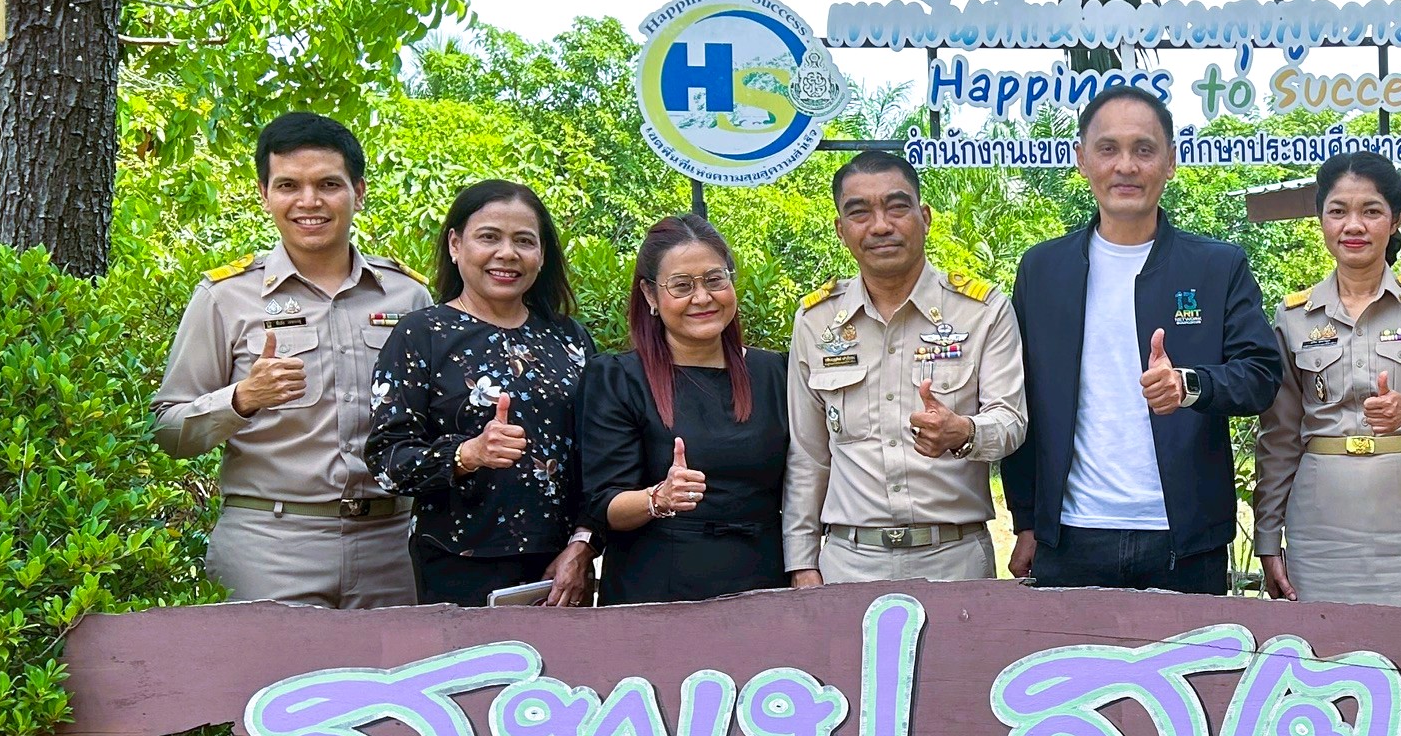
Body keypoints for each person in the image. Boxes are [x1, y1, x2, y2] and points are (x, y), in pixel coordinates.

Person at [1002, 85, 1281, 594]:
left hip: (1185, 540)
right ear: (1082, 159)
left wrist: (1190, 385)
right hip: (1071, 535)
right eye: (1108, 149)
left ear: (1170, 162)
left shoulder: (1217, 266)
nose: (1126, 166)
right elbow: (1022, 397)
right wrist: (1026, 517)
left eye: (1144, 150)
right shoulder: (1043, 269)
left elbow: (1261, 376)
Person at [154, 112, 431, 607]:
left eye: (328, 184)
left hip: (392, 547)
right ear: (264, 195)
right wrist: (242, 399)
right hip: (270, 546)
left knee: (400, 663)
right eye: (288, 186)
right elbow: (168, 431)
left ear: (359, 192)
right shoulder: (226, 297)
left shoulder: (407, 296)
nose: (309, 202)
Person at [785, 151, 1027, 585]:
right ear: (841, 229)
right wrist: (802, 563)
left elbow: (1011, 420)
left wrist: (965, 431)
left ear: (925, 217)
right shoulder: (816, 321)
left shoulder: (982, 310)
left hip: (955, 560)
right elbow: (808, 456)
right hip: (849, 563)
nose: (880, 225)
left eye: (896, 207)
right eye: (860, 212)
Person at [1255, 152, 1401, 608]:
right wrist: (1267, 535)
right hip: (1321, 526)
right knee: (1321, 645)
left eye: (1371, 211)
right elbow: (1279, 437)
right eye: (1338, 211)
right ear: (1321, 220)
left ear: (1395, 220)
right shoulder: (1293, 317)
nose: (1353, 226)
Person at [366, 180, 597, 607]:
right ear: (456, 244)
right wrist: (467, 454)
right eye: (489, 237)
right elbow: (386, 462)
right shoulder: (421, 334)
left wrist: (583, 543)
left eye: (524, 241)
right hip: (456, 563)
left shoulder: (570, 339)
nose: (507, 254)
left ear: (542, 254)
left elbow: (603, 454)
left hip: (562, 566)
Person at [579, 215, 792, 604]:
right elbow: (604, 504)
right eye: (682, 286)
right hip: (658, 587)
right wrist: (658, 498)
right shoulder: (618, 377)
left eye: (715, 280)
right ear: (650, 294)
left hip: (763, 581)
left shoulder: (775, 371)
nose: (703, 298)